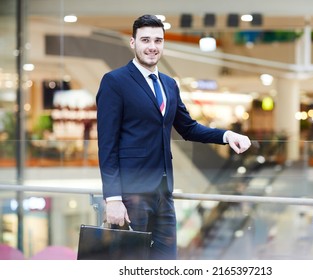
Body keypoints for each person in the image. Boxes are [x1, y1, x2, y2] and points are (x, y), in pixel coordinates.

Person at [96, 14, 251, 260]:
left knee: (167, 262)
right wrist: (112, 198)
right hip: (131, 192)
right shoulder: (115, 82)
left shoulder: (169, 84)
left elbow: (188, 128)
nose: (152, 46)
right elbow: (107, 144)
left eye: (158, 40)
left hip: (163, 192)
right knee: (131, 265)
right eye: (145, 39)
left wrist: (226, 135)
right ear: (133, 43)